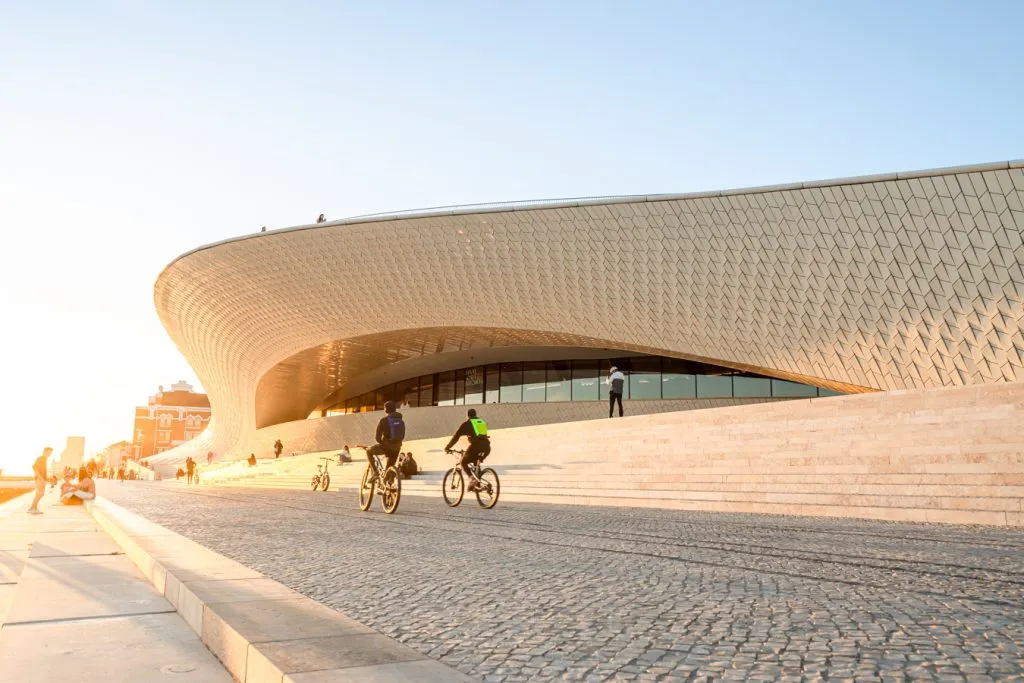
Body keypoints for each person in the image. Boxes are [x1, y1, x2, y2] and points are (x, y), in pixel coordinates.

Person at [444, 409, 491, 490]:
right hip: (487, 447)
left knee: (463, 462)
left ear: (468, 416)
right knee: (476, 463)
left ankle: (472, 479)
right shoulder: (481, 422)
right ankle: (478, 485)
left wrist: (447, 447)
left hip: (476, 446)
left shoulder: (467, 423)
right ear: (475, 414)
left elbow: (456, 436)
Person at [366, 401, 404, 480]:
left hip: (385, 447)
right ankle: (390, 485)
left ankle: (375, 472)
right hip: (397, 448)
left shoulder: (383, 420)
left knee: (368, 451)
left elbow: (377, 438)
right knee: (389, 469)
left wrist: (383, 443)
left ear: (386, 409)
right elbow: (402, 436)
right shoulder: (401, 421)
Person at [27, 447, 52, 514]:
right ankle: (33, 508)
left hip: (41, 478)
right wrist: (41, 478)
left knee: (39, 493)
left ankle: (33, 508)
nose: (50, 454)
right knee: (40, 493)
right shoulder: (41, 458)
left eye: (50, 453)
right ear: (45, 451)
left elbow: (35, 467)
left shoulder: (44, 459)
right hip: (40, 478)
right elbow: (35, 468)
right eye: (49, 452)